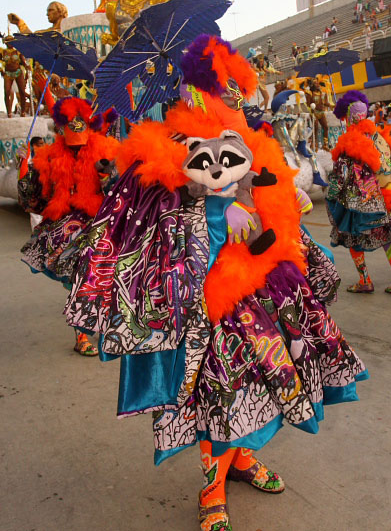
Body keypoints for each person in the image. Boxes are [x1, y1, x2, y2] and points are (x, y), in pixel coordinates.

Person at [64, 35, 368, 531]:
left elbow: (275, 203)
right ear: (197, 92)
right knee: (217, 393)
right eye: (223, 86)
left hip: (263, 287)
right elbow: (145, 225)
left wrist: (284, 209)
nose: (233, 97)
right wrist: (215, 212)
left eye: (237, 87)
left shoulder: (252, 139)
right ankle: (212, 486)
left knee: (269, 379)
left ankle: (241, 460)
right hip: (203, 298)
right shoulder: (167, 149)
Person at [18, 97, 120, 356]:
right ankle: (83, 333)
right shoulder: (50, 156)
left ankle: (99, 324)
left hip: (99, 223)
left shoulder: (106, 150)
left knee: (102, 277)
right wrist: (25, 167)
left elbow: (120, 194)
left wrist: (106, 176)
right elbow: (35, 201)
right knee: (78, 278)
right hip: (65, 227)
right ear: (60, 130)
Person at [327, 90, 391, 294]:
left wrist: (332, 194)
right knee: (387, 238)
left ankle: (365, 280)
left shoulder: (350, 141)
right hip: (390, 197)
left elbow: (342, 175)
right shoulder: (381, 136)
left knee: (351, 236)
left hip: (363, 204)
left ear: (349, 118)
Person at [0, 41, 29, 117]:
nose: (9, 43)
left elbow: (23, 62)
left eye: (11, 41)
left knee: (22, 92)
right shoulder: (3, 52)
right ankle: (9, 112)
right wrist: (1, 70)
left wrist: (27, 67)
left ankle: (23, 111)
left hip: (18, 72)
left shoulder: (18, 51)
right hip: (8, 74)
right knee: (7, 92)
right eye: (8, 42)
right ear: (5, 43)